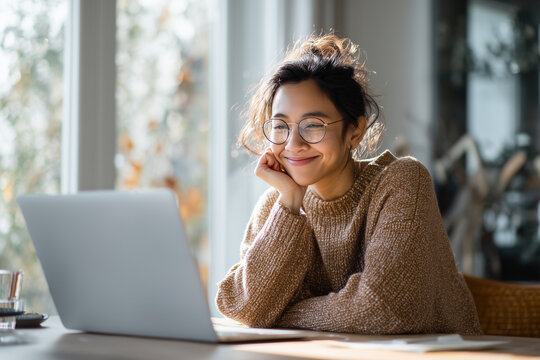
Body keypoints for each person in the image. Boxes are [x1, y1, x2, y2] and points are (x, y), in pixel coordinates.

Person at [215, 33, 482, 335]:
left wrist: (278, 312)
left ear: (355, 131)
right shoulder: (277, 208)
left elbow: (382, 309)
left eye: (313, 126)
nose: (293, 144)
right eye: (280, 126)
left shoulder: (402, 182)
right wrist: (289, 202)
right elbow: (241, 307)